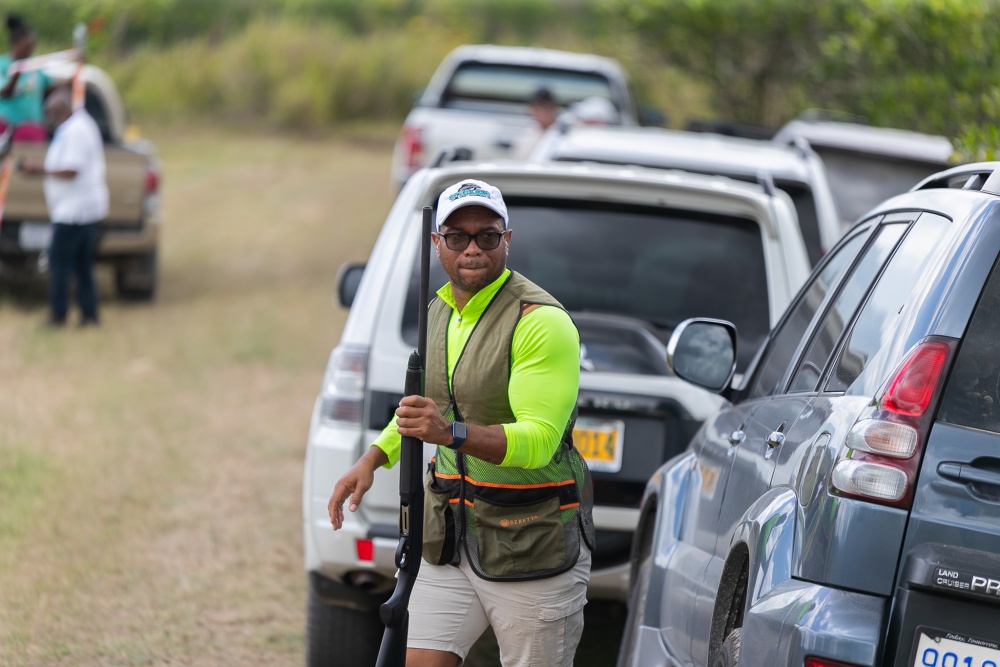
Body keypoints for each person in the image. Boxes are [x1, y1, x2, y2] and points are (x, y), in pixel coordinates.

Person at [328, 179, 594, 667]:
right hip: (451, 538)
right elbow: (428, 407)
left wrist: (449, 434)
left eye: (487, 236)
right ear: (437, 244)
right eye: (457, 237)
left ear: (506, 239)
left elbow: (536, 442)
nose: (472, 248)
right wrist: (375, 456)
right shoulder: (441, 310)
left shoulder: (540, 321)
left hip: (531, 545)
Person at [19, 88, 108, 326]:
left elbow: (71, 169)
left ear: (62, 109)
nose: (49, 119)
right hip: (81, 209)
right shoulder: (75, 126)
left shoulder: (76, 130)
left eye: (51, 114)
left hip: (75, 212)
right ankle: (89, 315)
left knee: (59, 263)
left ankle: (58, 315)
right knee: (82, 265)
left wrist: (39, 170)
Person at [0, 14, 50, 142]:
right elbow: (5, 93)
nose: (30, 50)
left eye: (32, 46)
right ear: (15, 44)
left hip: (32, 126)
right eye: (27, 46)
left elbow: (47, 88)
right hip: (6, 125)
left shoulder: (36, 63)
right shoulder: (3, 65)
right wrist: (16, 74)